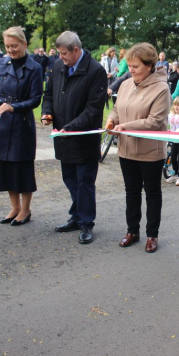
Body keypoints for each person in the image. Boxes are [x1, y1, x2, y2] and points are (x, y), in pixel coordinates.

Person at [41, 31, 107, 244]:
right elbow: (49, 93)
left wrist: (69, 127)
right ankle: (77, 215)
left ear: (76, 50)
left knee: (84, 182)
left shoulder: (96, 71)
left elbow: (93, 110)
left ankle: (87, 223)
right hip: (63, 137)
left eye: (64, 54)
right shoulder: (59, 67)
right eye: (59, 54)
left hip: (83, 138)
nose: (60, 57)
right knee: (70, 179)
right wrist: (47, 112)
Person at [106, 43, 171, 253]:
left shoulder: (161, 88)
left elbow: (155, 121)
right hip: (126, 148)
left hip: (150, 150)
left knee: (152, 193)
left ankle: (152, 234)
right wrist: (111, 120)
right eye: (130, 65)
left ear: (150, 65)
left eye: (136, 66)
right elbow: (117, 109)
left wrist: (125, 126)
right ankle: (132, 231)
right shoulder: (125, 84)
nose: (131, 70)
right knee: (131, 191)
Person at [0, 27, 43, 226]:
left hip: (22, 124)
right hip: (2, 124)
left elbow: (35, 100)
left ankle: (25, 209)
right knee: (5, 166)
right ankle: (14, 207)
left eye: (14, 46)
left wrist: (14, 107)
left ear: (24, 44)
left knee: (22, 167)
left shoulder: (35, 68)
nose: (11, 50)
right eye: (7, 46)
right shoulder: (1, 63)